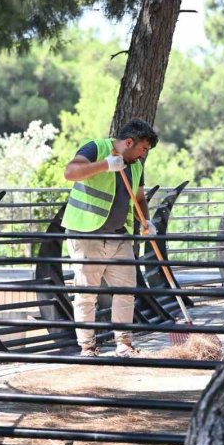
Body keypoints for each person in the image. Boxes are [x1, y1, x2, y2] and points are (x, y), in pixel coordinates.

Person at [61, 118, 159, 357]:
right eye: (143, 148)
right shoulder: (95, 148)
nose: (144, 154)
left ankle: (124, 344)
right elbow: (70, 172)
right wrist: (105, 165)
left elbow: (139, 197)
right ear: (128, 142)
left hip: (119, 236)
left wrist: (146, 222)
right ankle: (87, 346)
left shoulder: (135, 166)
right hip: (86, 235)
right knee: (86, 293)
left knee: (126, 290)